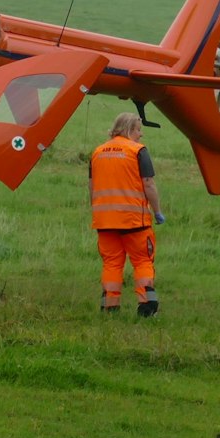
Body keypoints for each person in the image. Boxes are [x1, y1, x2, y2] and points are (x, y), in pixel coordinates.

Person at [89, 112, 162, 317]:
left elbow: (91, 187)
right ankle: (147, 306)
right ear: (130, 129)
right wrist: (157, 211)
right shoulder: (138, 151)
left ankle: (110, 306)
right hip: (134, 221)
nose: (141, 135)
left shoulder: (97, 152)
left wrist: (96, 211)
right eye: (139, 130)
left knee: (111, 263)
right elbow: (148, 183)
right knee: (142, 261)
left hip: (104, 221)